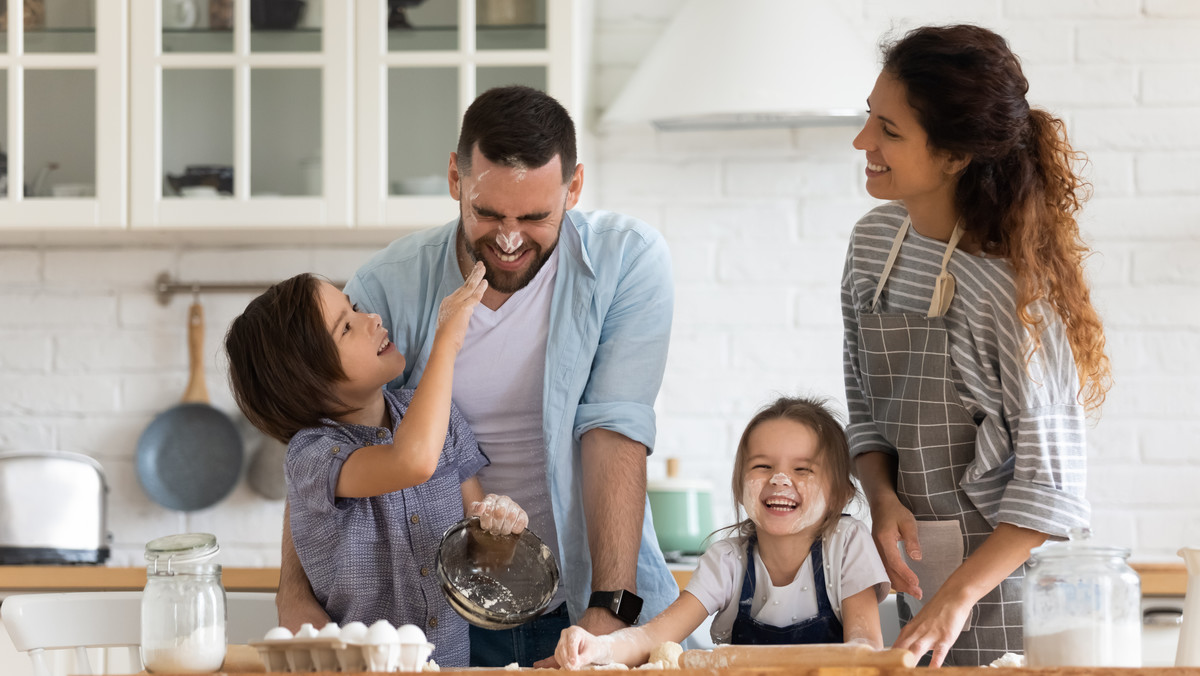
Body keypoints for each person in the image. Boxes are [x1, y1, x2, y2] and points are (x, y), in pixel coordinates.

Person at [274, 85, 679, 667]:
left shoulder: (627, 262)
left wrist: (608, 609)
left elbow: (613, 430)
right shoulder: (387, 286)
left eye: (536, 217)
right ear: (455, 180)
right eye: (488, 213)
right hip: (436, 620)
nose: (510, 239)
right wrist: (294, 593)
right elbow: (320, 438)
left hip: (588, 604)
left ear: (575, 187)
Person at [842, 24, 1113, 667]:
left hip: (1014, 599)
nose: (863, 142)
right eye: (869, 118)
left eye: (890, 130)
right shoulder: (873, 243)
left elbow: (1050, 487)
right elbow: (865, 410)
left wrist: (956, 598)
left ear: (955, 156)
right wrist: (881, 499)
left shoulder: (1010, 291)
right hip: (920, 578)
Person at [224, 264, 533, 667]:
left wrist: (500, 529)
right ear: (307, 379)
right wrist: (447, 342)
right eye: (346, 328)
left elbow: (479, 562)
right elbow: (410, 461)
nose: (371, 319)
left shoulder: (441, 419)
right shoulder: (312, 457)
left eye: (354, 309)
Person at [555, 396, 891, 670]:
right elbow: (654, 637)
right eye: (763, 466)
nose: (779, 479)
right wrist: (597, 647)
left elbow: (865, 650)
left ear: (840, 494)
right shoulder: (728, 560)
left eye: (802, 469)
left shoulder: (847, 544)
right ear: (738, 483)